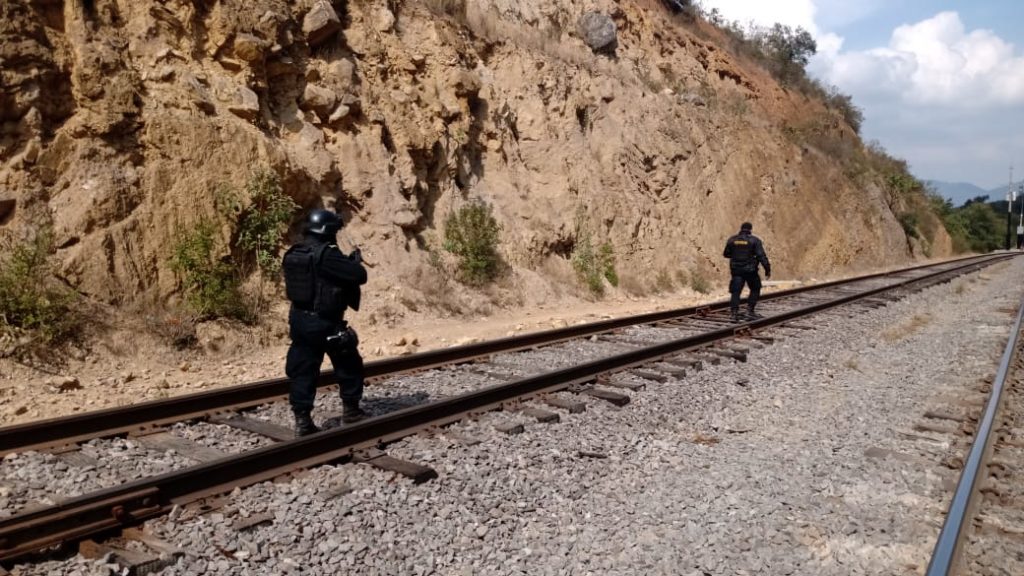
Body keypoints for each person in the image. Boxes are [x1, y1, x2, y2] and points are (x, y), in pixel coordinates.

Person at [282, 208, 368, 436]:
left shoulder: (295, 253)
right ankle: (351, 411)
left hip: (299, 320)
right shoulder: (327, 254)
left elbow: (316, 278)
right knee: (349, 364)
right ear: (327, 231)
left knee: (303, 371)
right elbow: (359, 276)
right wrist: (353, 263)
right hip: (325, 322)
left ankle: (302, 421)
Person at [723, 221, 771, 322]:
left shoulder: (732, 239)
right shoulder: (755, 240)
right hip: (750, 271)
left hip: (736, 270)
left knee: (735, 291)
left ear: (741, 229)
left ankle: (734, 314)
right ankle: (749, 311)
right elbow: (761, 256)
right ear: (750, 229)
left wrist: (736, 255)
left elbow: (726, 254)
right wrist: (767, 269)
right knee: (755, 288)